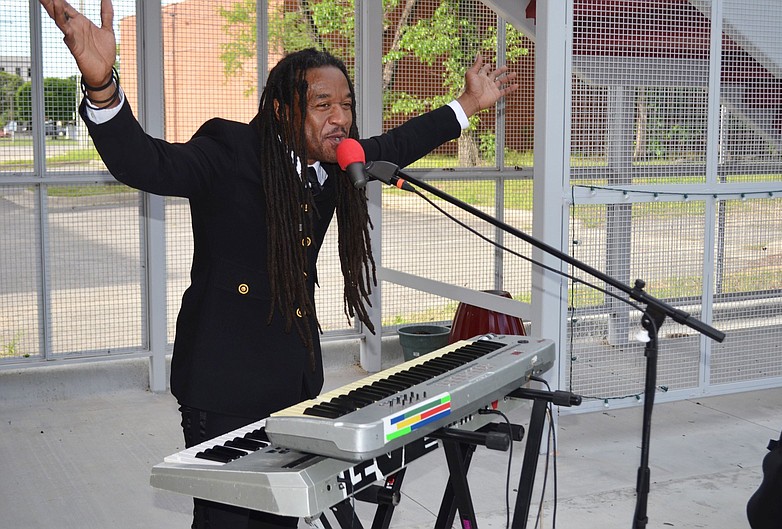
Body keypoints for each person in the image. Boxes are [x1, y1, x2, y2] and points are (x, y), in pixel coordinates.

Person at [40, 0, 519, 527]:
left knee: (279, 518)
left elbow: (399, 142)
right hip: (222, 384)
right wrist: (104, 87)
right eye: (322, 105)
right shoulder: (229, 150)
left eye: (345, 105)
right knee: (228, 519)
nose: (339, 118)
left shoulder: (337, 163)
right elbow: (147, 162)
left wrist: (466, 104)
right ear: (282, 109)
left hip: (292, 381)